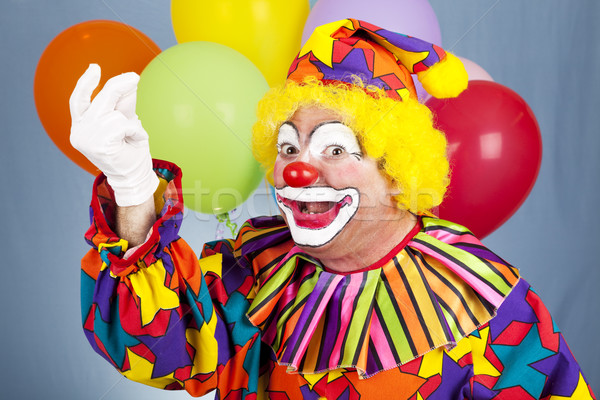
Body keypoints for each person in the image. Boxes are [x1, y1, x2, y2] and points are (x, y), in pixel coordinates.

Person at [70, 19, 595, 399]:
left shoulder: (487, 299)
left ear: (396, 172)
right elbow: (154, 346)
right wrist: (133, 184)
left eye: (336, 149)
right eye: (288, 147)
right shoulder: (249, 270)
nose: (297, 171)